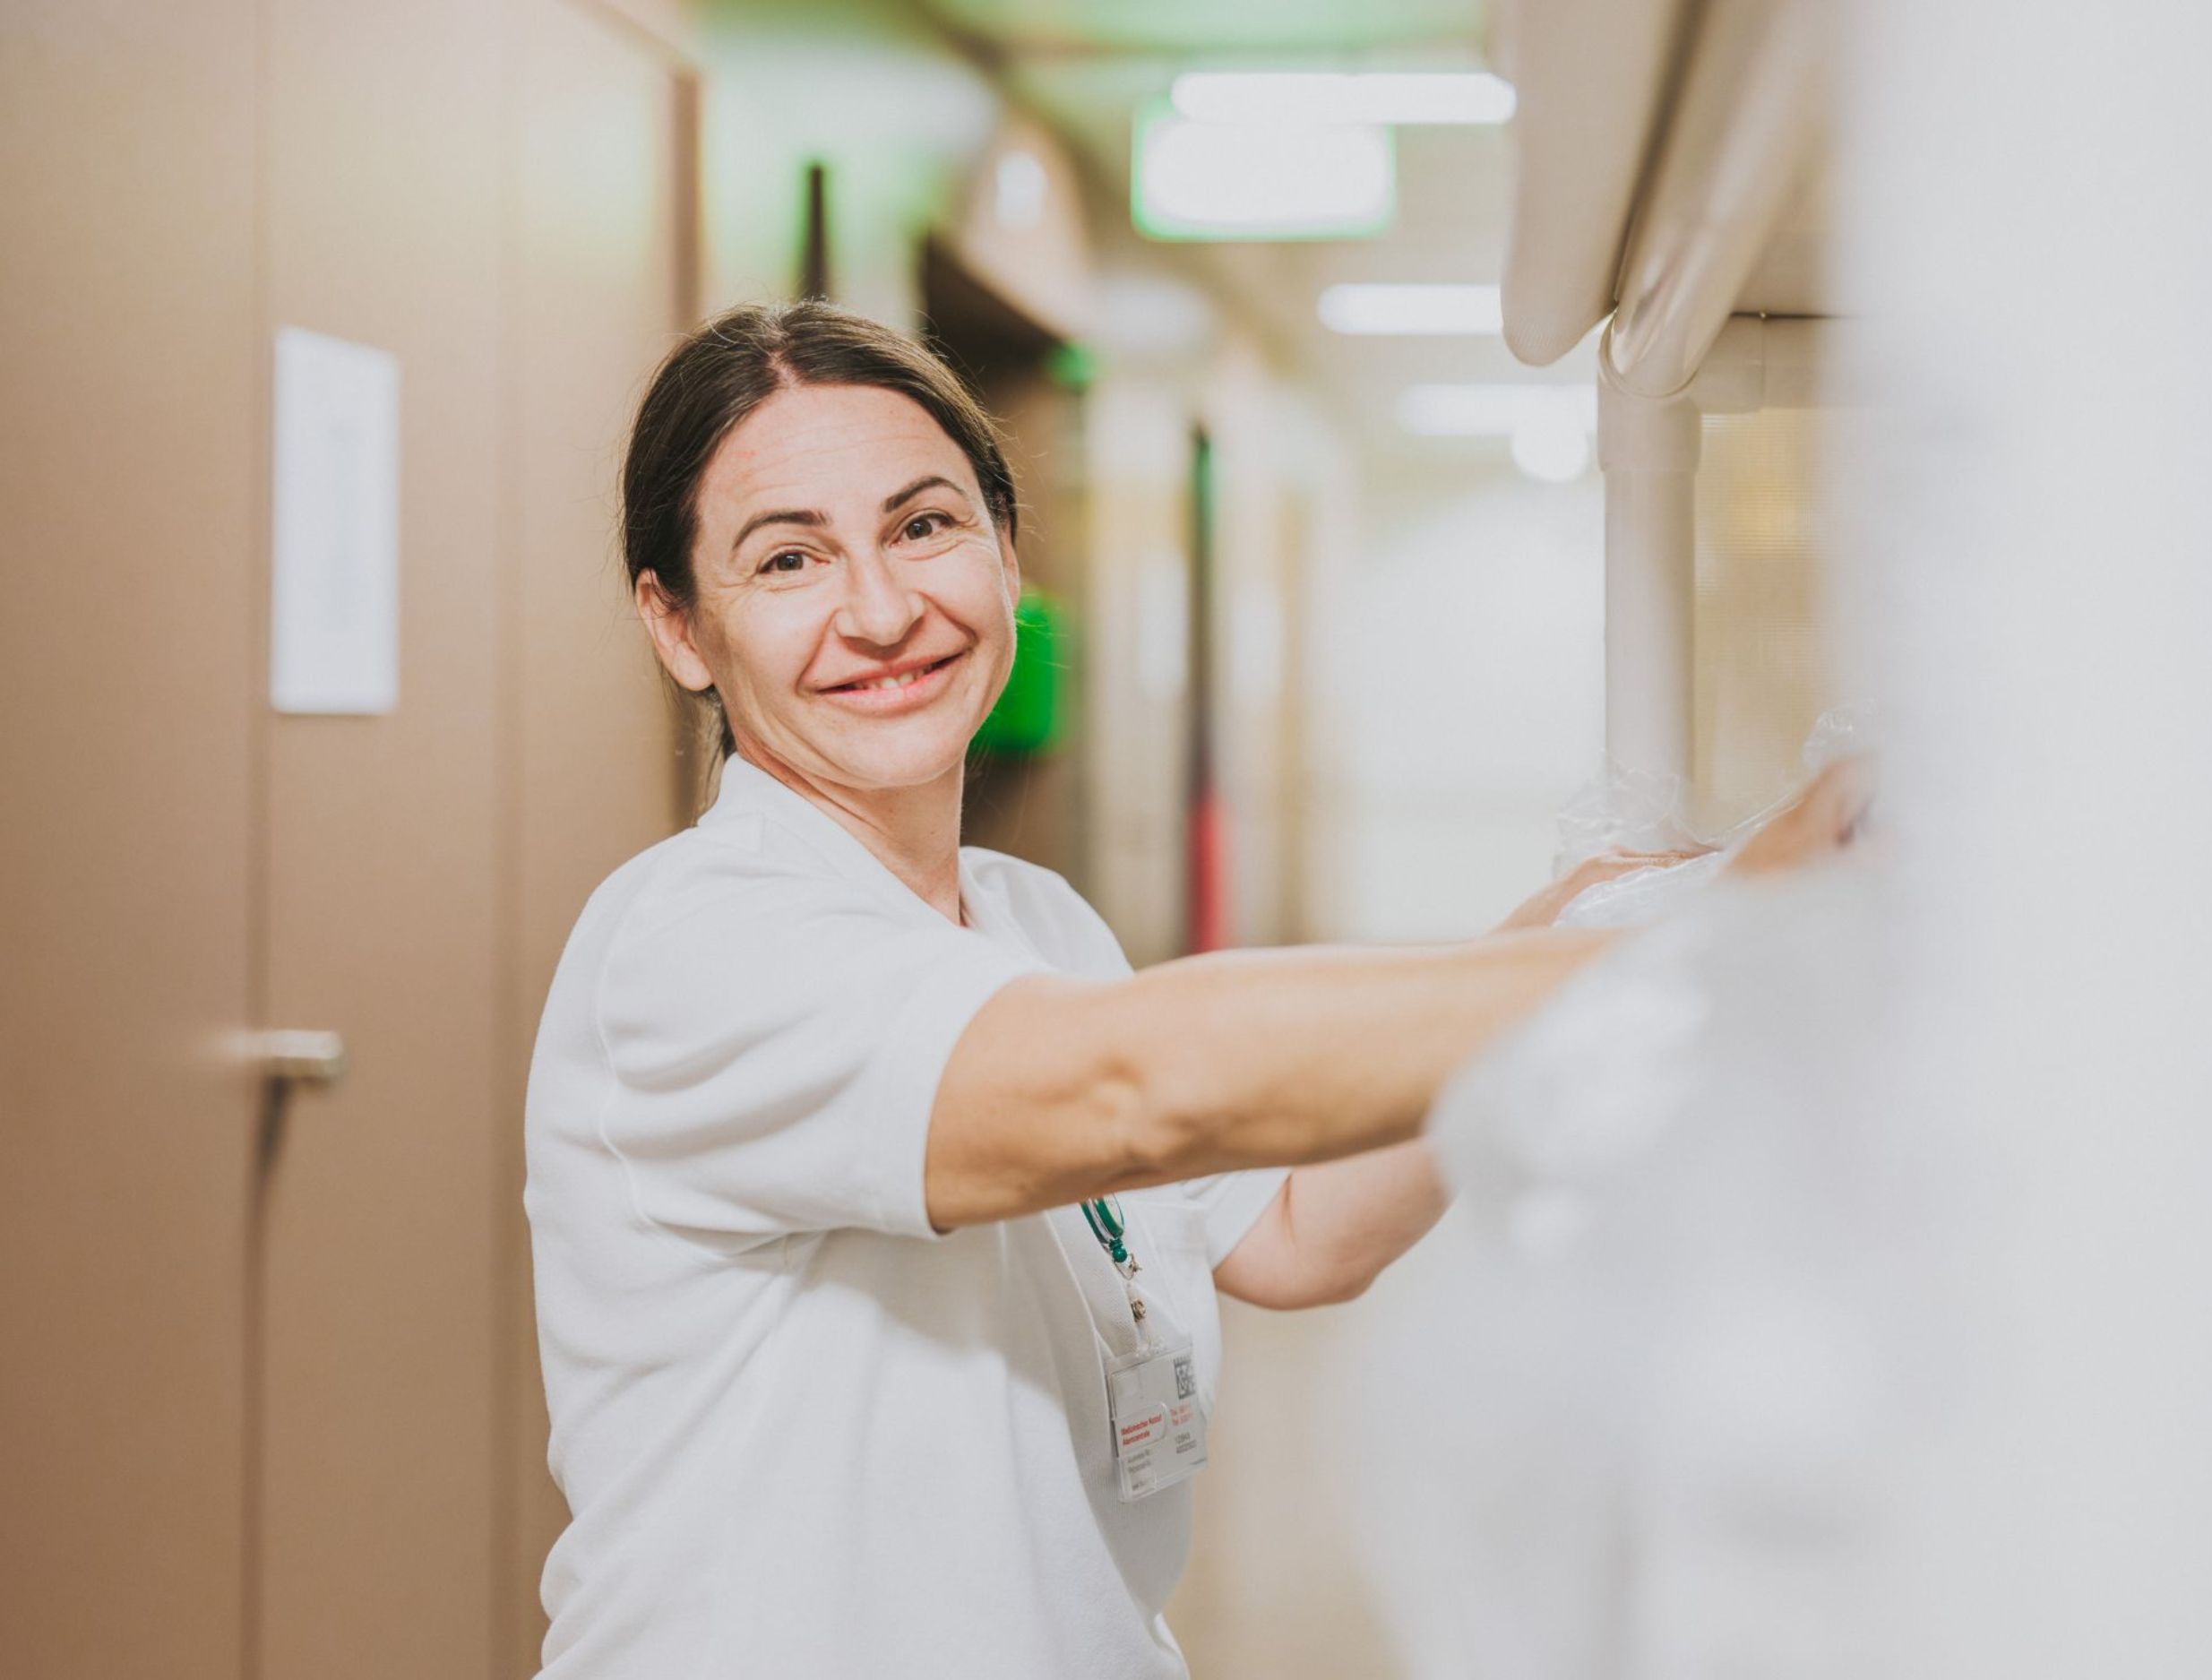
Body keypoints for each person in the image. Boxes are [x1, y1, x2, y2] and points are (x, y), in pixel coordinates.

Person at [522, 301, 1858, 1678]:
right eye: (789, 558)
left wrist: (1590, 914)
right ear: (678, 626)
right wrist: (1695, 944)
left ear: (1005, 551)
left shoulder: (1034, 919)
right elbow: (1141, 1085)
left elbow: (1290, 1233)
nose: (881, 609)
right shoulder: (688, 944)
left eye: (924, 526)